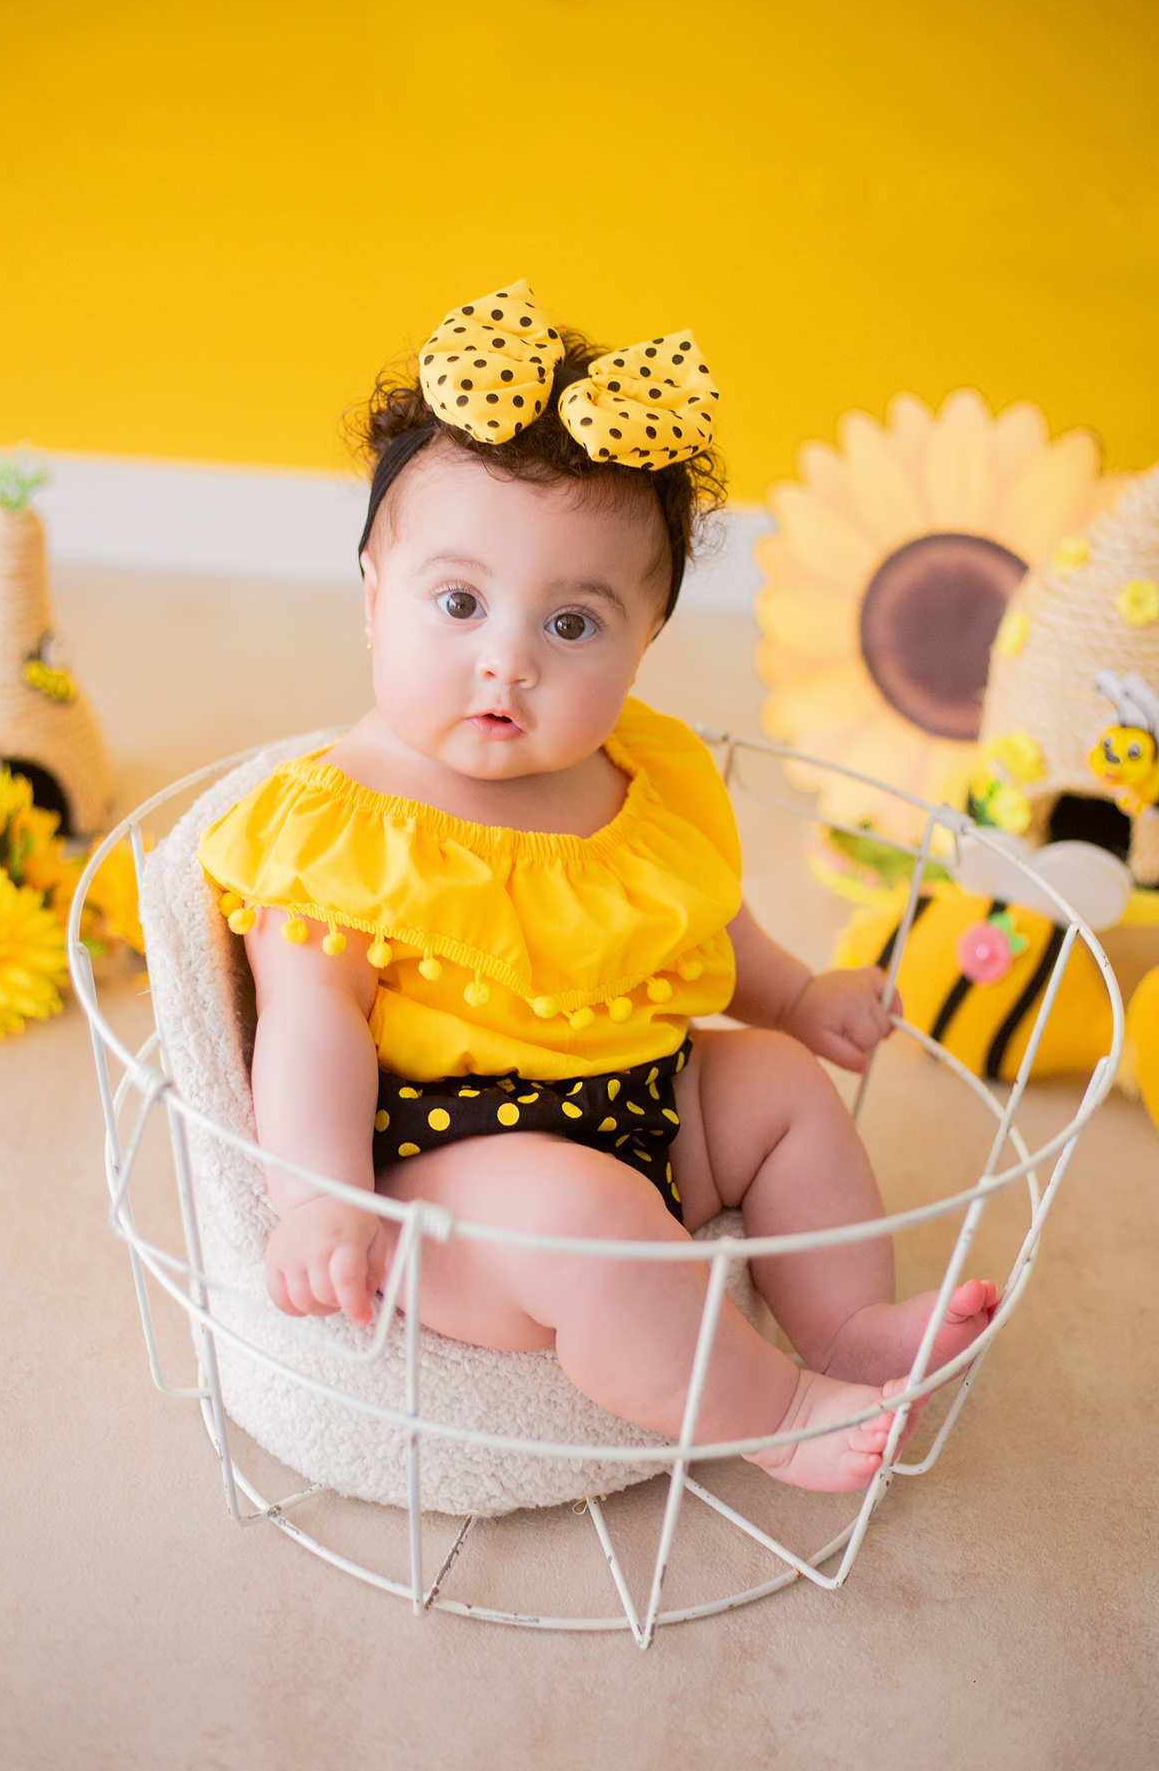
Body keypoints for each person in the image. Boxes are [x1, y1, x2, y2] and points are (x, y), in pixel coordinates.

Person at [198, 282, 997, 1493]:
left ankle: (843, 1327)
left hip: (647, 1105)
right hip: (456, 1179)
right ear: (372, 596)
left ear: (646, 640)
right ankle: (776, 1411)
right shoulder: (343, 826)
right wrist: (321, 1202)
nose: (506, 661)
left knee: (781, 1090)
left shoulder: (641, 772)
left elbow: (702, 912)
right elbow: (310, 1024)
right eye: (458, 603)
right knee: (587, 1224)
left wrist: (793, 1000)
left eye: (572, 625)